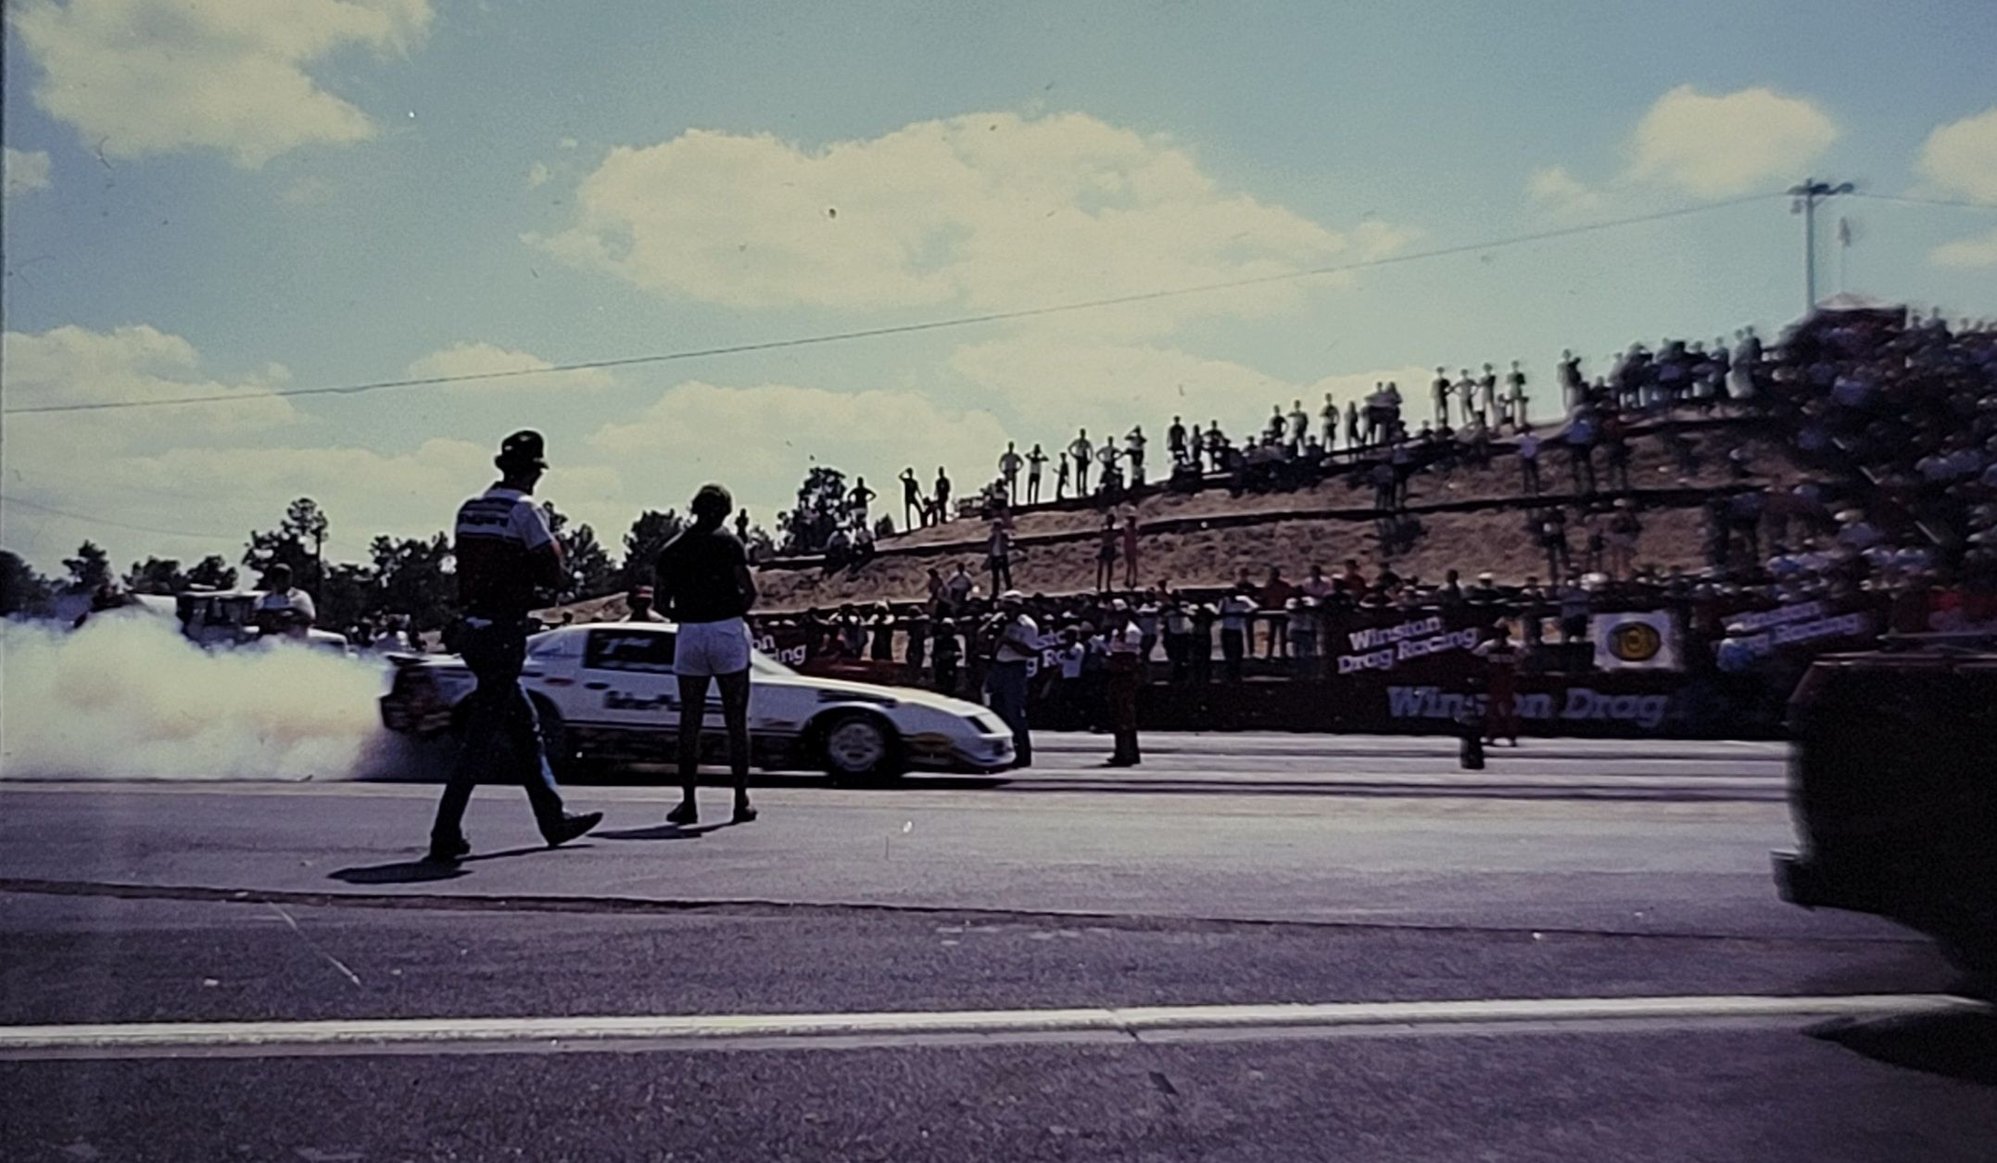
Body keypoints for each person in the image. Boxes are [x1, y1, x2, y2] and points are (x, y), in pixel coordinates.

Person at [428, 430, 601, 864]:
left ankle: (553, 819)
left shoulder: (469, 508)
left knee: (525, 727)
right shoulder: (525, 510)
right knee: (482, 738)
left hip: (472, 628)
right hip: (503, 631)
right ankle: (444, 832)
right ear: (532, 472)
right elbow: (553, 570)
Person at [653, 483, 760, 826]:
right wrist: (732, 612)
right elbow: (749, 590)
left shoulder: (673, 549)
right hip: (726, 629)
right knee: (735, 719)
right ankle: (740, 801)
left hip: (690, 632)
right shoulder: (730, 543)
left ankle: (688, 802)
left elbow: (659, 602)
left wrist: (687, 614)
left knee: (690, 721)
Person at [984, 590, 1038, 768]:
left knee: (1015, 712)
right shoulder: (999, 622)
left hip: (1015, 669)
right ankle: (1002, 752)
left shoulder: (1027, 625)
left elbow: (1031, 651)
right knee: (996, 710)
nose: (1006, 611)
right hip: (999, 666)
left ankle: (1023, 754)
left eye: (1010, 607)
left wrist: (1009, 641)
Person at [1103, 602, 1144, 767]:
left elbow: (1129, 658)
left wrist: (1112, 661)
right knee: (1117, 714)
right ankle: (1122, 750)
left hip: (1126, 676)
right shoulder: (1116, 632)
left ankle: (1128, 752)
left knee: (1125, 714)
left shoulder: (1131, 632)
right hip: (1116, 674)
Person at [1472, 623, 1521, 746]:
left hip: (1506, 682)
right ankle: (1493, 736)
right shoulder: (1490, 646)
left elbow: (1476, 656)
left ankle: (1510, 737)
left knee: (1506, 710)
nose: (1501, 637)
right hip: (1495, 682)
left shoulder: (1513, 647)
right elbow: (1476, 657)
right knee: (1494, 710)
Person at [253, 562, 316, 640]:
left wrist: (287, 618)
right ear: (273, 580)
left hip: (294, 642)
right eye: (280, 578)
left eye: (287, 577)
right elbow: (256, 618)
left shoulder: (300, 597)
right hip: (267, 641)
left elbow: (309, 618)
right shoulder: (263, 599)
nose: (285, 581)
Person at [1095, 514, 1119, 592]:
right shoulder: (1111, 531)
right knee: (1105, 567)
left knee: (1105, 567)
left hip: (1107, 548)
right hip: (1107, 548)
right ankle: (1103, 585)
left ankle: (1103, 585)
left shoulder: (1109, 531)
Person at [1068, 430, 1094, 494]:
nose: (1083, 434)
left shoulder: (1086, 442)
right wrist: (1074, 455)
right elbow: (1069, 448)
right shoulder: (1077, 441)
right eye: (1082, 433)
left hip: (1085, 457)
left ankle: (1084, 489)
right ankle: (1078, 490)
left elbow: (1091, 450)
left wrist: (1090, 459)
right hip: (1079, 457)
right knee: (1078, 475)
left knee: (1085, 475)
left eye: (1084, 433)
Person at [1121, 512, 1141, 590]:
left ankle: (1131, 580)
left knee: (1131, 566)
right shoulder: (1132, 530)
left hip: (1130, 548)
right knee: (1131, 565)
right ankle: (1131, 580)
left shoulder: (1130, 530)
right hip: (1130, 548)